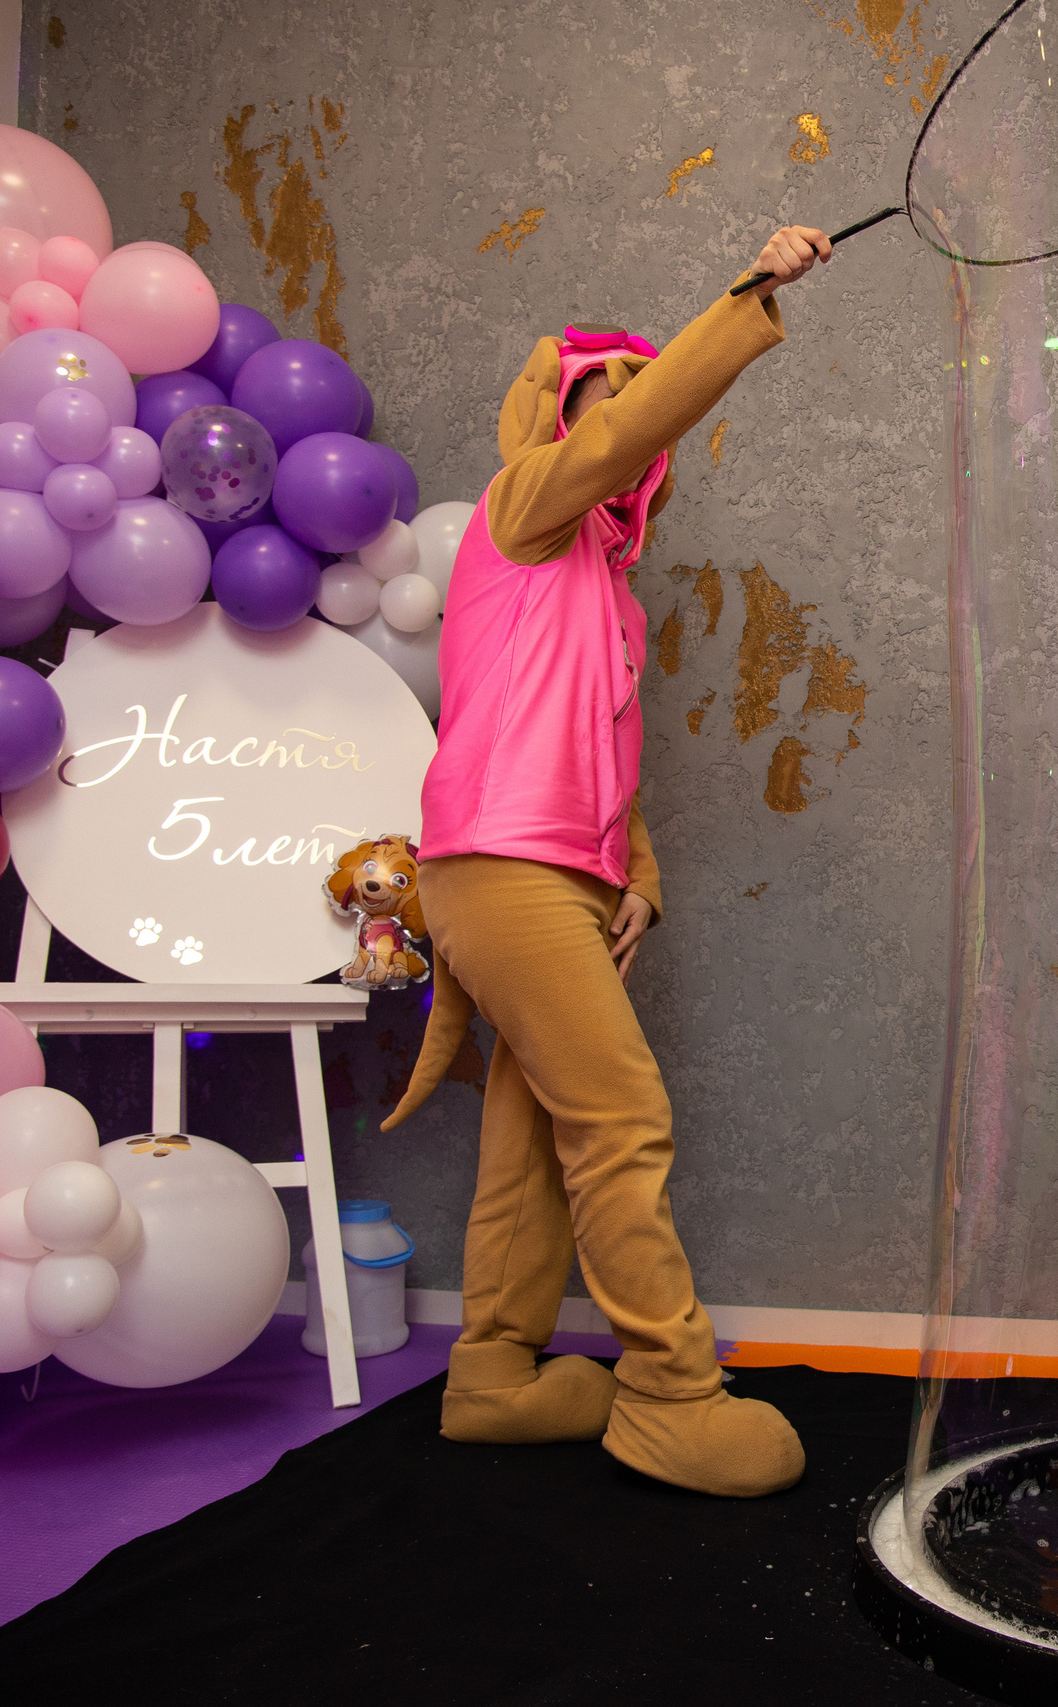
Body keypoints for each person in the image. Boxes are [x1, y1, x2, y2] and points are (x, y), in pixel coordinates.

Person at [381, 226, 832, 1498]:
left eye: (643, 396)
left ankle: (497, 1380)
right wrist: (746, 296)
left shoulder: (610, 594)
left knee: (532, 1133)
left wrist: (635, 875)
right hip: (498, 867)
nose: (628, 420)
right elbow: (606, 448)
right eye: (604, 393)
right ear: (557, 415)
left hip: (556, 880)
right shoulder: (519, 511)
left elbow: (600, 752)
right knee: (622, 1119)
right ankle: (667, 1396)